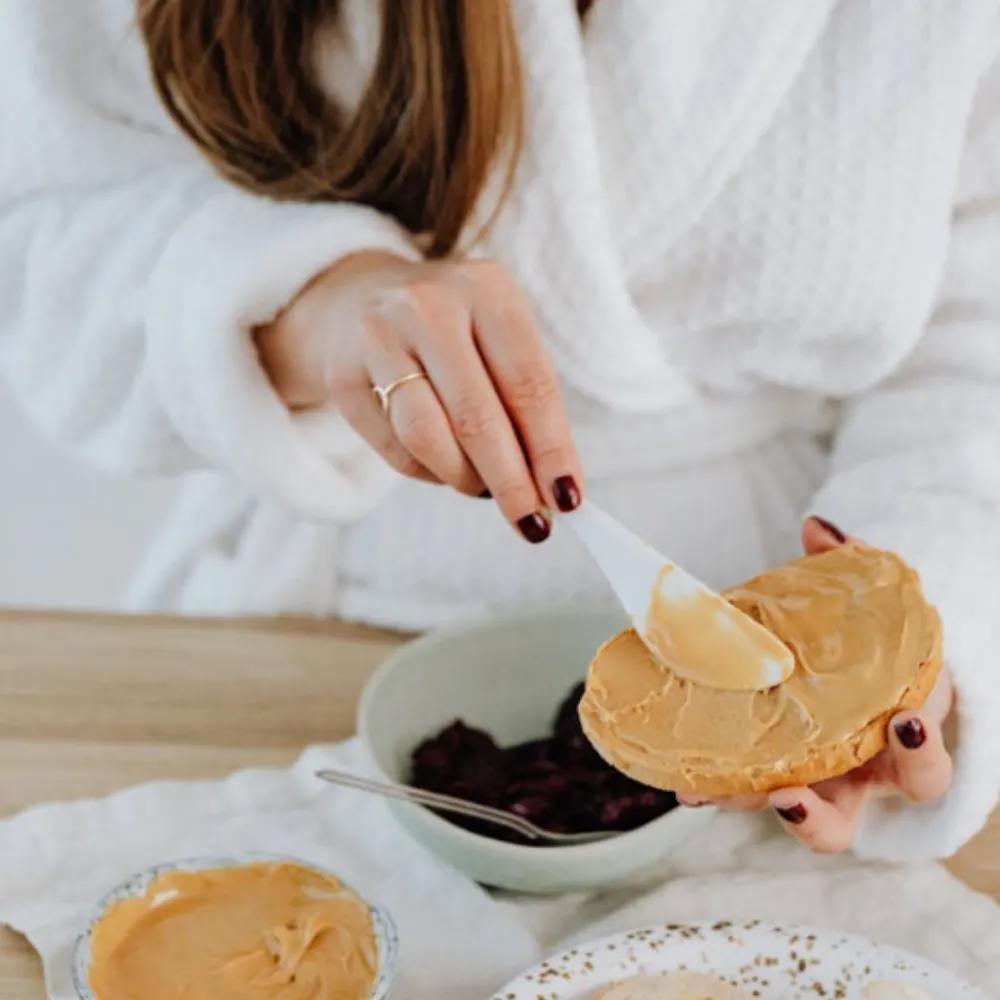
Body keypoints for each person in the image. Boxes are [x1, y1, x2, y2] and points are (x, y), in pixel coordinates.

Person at [1, 0, 998, 862]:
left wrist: (901, 632)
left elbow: (976, 318)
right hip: (316, 625)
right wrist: (309, 301)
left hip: (782, 666)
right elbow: (46, 228)